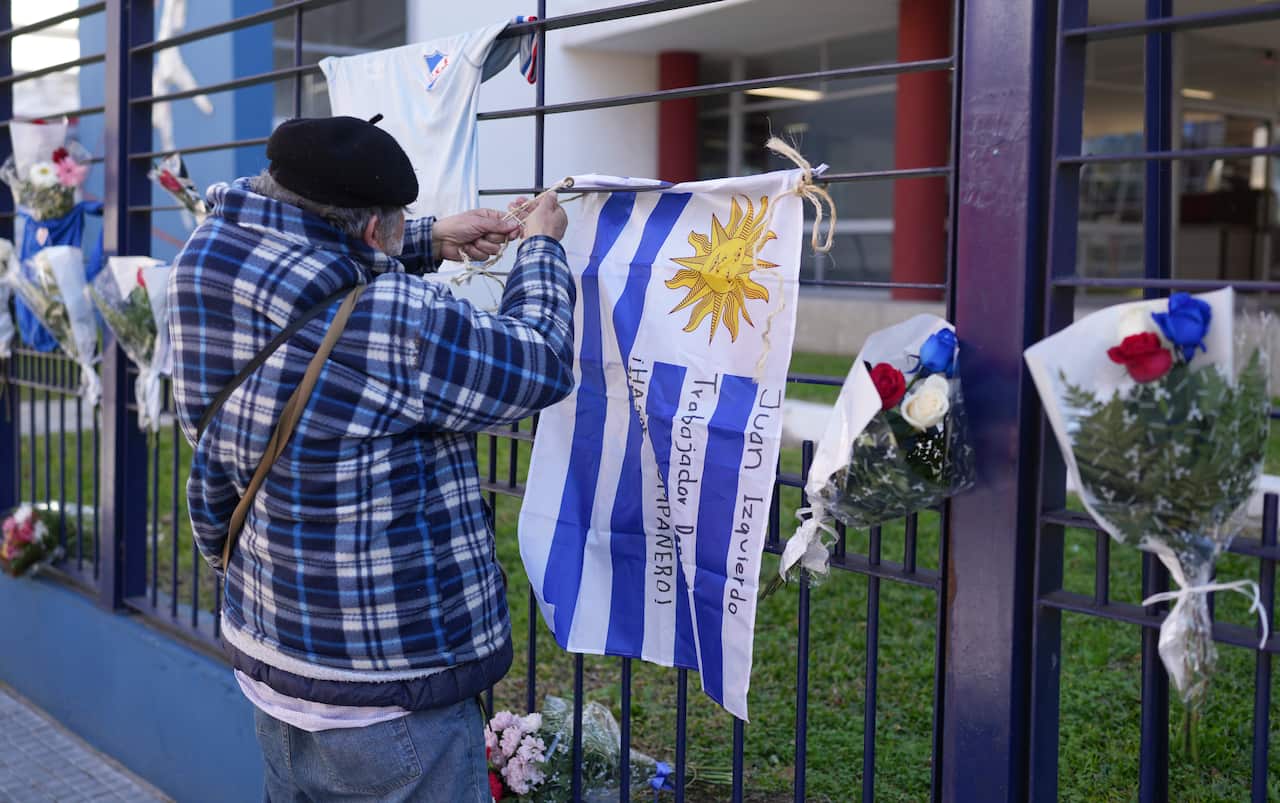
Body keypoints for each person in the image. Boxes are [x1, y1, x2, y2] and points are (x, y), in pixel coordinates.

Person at [167, 115, 574, 802]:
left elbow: (315, 269)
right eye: (397, 220)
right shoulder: (396, 320)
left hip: (270, 661)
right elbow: (539, 362)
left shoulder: (207, 256)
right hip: (388, 694)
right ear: (366, 232)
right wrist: (541, 251)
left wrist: (430, 238)